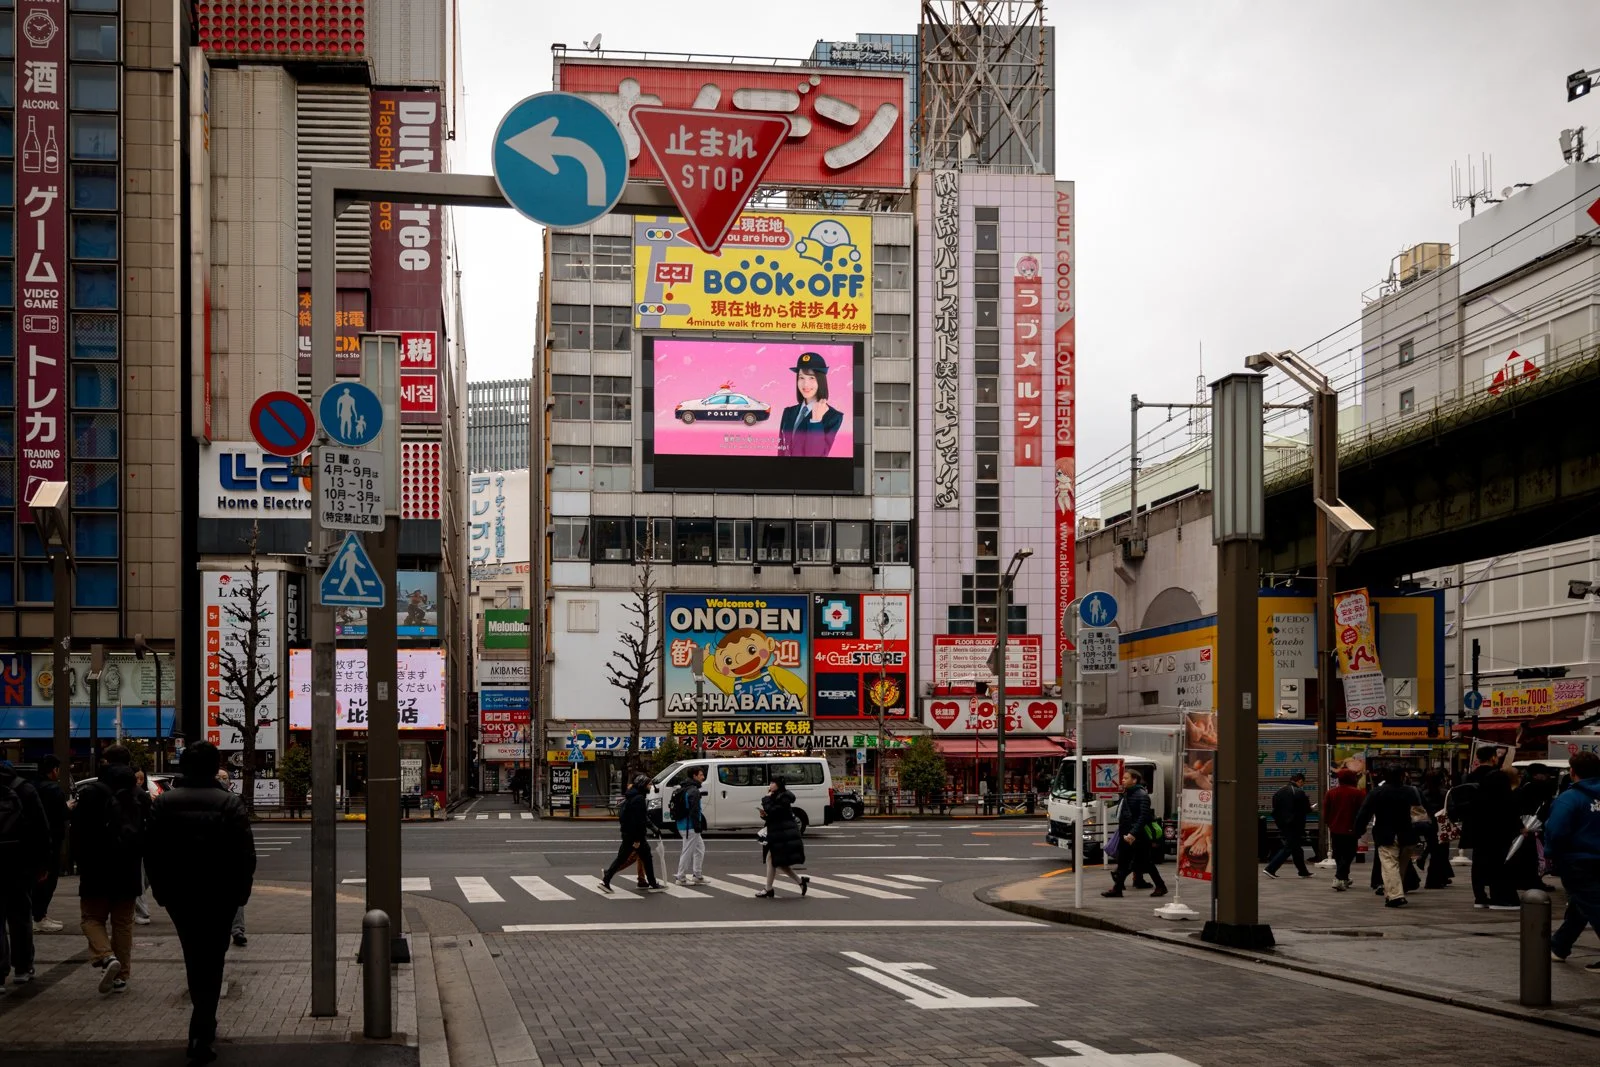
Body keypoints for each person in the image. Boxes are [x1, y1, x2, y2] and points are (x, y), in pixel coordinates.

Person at [145, 742, 257, 1063]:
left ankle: (201, 1027)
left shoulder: (164, 803)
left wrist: (161, 892)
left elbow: (151, 852)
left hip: (181, 895)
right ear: (214, 767)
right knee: (213, 959)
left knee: (194, 956)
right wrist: (240, 895)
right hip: (220, 895)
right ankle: (202, 1030)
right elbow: (244, 856)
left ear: (184, 767)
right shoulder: (230, 803)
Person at [71, 744, 149, 994]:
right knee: (123, 923)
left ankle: (106, 956)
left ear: (105, 762)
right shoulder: (139, 795)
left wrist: (77, 861)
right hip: (127, 867)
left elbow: (77, 832)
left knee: (92, 918)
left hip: (95, 866)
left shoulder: (92, 793)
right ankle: (121, 976)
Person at [0, 758, 51, 992]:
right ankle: (22, 967)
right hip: (20, 863)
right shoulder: (25, 788)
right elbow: (42, 829)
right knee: (20, 915)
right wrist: (43, 864)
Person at [1546, 750, 1600, 970]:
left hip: (1578, 861)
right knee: (1582, 904)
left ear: (1572, 772)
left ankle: (1559, 945)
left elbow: (1556, 830)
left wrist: (1552, 854)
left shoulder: (1570, 798)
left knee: (1593, 905)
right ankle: (1559, 945)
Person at [1453, 745, 1520, 910]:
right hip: (1495, 826)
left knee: (1479, 862)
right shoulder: (1499, 776)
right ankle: (1499, 896)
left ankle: (1480, 896)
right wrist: (1518, 825)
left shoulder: (1469, 777)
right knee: (1498, 861)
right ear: (1493, 758)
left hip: (1474, 825)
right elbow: (1506, 803)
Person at [1353, 769, 1425, 907]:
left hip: (1385, 833)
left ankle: (1395, 896)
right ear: (1403, 776)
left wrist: (1358, 830)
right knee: (1401, 866)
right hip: (1408, 833)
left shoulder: (1377, 792)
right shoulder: (1412, 791)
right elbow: (1421, 812)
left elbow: (1364, 812)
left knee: (1389, 865)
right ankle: (1393, 892)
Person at [1101, 768, 1168, 899]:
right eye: (1123, 778)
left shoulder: (1142, 795)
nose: (1122, 780)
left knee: (1146, 862)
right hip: (1126, 834)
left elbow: (1143, 817)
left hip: (1138, 836)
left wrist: (1133, 834)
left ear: (1134, 780)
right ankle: (1117, 889)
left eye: (1126, 778)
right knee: (1123, 862)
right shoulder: (1128, 793)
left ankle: (1161, 886)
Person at [775, 350, 844, 458]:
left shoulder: (833, 417)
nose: (805, 384)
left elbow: (815, 455)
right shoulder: (788, 412)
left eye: (812, 378)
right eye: (801, 377)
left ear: (821, 380)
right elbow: (781, 450)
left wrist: (816, 421)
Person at [600, 774, 661, 893]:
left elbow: (639, 818)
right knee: (628, 858)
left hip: (629, 834)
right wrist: (637, 840)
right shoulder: (639, 800)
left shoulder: (632, 797)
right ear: (643, 785)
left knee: (642, 857)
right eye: (648, 784)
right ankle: (606, 879)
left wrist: (653, 828)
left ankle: (651, 882)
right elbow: (639, 821)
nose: (650, 787)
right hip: (635, 836)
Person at [30, 754, 69, 934]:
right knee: (49, 879)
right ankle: (39, 916)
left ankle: (38, 915)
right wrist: (69, 807)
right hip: (51, 839)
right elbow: (62, 815)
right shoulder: (53, 790)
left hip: (32, 839)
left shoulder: (30, 787)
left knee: (35, 878)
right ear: (54, 770)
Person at [755, 776, 810, 898]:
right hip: (778, 832)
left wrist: (766, 799)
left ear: (779, 784)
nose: (770, 784)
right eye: (770, 782)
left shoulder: (784, 798)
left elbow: (774, 811)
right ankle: (800, 882)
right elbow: (773, 815)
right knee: (777, 862)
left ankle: (768, 889)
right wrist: (764, 815)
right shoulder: (777, 796)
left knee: (773, 859)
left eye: (773, 782)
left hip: (784, 834)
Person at [1511, 764, 1559, 893]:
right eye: (1543, 773)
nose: (1546, 776)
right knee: (1534, 855)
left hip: (1527, 825)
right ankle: (1533, 880)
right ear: (1536, 775)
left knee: (1528, 854)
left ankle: (1524, 880)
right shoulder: (1537, 788)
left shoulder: (1524, 787)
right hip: (1532, 825)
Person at [1263, 771, 1314, 879]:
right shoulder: (1298, 792)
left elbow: (1275, 808)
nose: (1302, 785)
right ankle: (1270, 868)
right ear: (1299, 781)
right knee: (1290, 847)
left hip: (1283, 824)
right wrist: (1311, 808)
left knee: (1297, 848)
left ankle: (1303, 871)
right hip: (1295, 824)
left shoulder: (1279, 791)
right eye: (1302, 783)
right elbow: (1306, 809)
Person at [1324, 768, 1367, 891]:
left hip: (1335, 828)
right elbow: (1362, 812)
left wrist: (1329, 823)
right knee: (1349, 853)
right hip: (1352, 829)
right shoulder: (1358, 793)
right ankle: (1339, 877)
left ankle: (1343, 878)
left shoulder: (1331, 793)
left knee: (1338, 854)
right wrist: (1361, 827)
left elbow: (1326, 812)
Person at [1419, 770, 1453, 890]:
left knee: (1434, 849)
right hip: (1442, 823)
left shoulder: (1423, 793)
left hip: (1429, 823)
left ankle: (1439, 876)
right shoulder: (1445, 793)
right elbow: (1451, 808)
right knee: (1442, 852)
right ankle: (1436, 879)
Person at [674, 766, 708, 886]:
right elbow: (694, 810)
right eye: (701, 775)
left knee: (700, 849)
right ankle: (681, 877)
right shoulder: (693, 791)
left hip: (683, 824)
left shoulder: (684, 788)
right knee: (687, 851)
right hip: (690, 826)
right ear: (694, 776)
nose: (703, 777)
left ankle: (697, 875)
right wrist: (697, 825)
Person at [133, 769, 154, 926]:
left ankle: (138, 908)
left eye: (142, 778)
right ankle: (142, 911)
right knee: (140, 877)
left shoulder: (142, 794)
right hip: (139, 841)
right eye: (137, 778)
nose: (139, 781)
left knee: (145, 877)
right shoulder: (138, 794)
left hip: (144, 840)